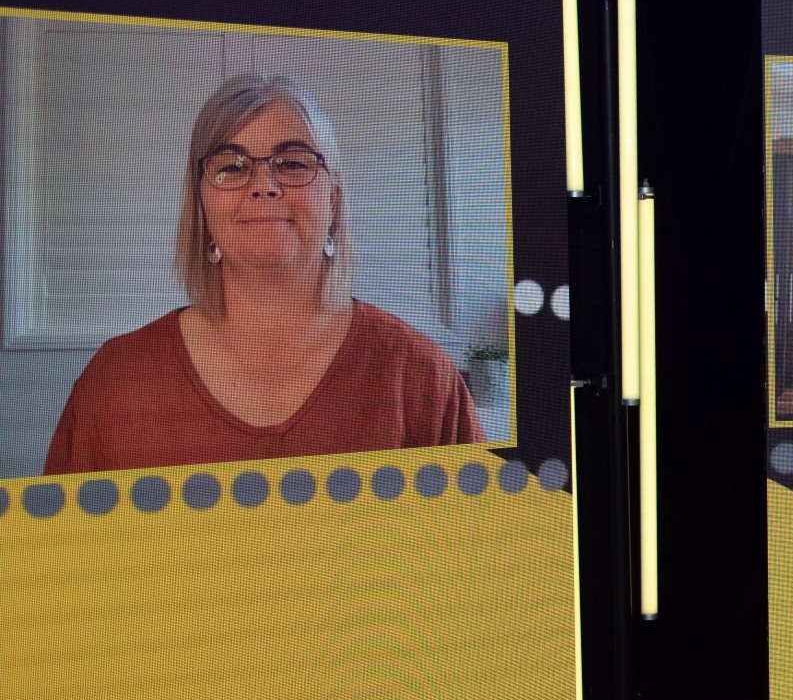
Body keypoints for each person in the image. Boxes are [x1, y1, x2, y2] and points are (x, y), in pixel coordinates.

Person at [43, 74, 483, 475]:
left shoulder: (422, 378)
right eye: (231, 167)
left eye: (292, 163)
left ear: (333, 201)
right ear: (201, 207)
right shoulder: (115, 379)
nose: (263, 185)